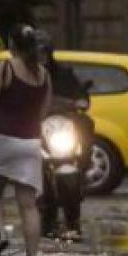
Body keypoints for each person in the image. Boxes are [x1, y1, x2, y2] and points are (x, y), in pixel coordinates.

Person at [0, 24, 53, 256]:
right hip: (31, 143)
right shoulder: (43, 74)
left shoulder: (6, 67)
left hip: (3, 140)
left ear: (12, 45)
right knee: (28, 205)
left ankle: (1, 234)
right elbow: (44, 111)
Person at [38, 43, 94, 240]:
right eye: (36, 53)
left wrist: (82, 100)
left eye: (43, 52)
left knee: (87, 123)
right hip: (37, 125)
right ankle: (43, 214)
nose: (41, 56)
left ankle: (85, 164)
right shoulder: (26, 75)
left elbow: (80, 94)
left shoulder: (64, 73)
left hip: (62, 123)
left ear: (49, 53)